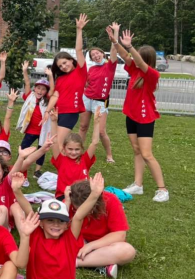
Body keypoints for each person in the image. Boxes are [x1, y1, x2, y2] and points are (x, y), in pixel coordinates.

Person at [7, 173, 105, 279]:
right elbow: (27, 208)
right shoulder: (36, 233)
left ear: (67, 225)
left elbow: (79, 216)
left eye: (60, 221)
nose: (56, 225)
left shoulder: (70, 239)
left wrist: (94, 194)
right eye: (50, 220)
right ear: (40, 223)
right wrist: (17, 191)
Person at [109, 25, 169, 202]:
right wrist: (115, 40)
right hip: (132, 116)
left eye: (139, 57)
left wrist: (129, 47)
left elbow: (137, 60)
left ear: (146, 59)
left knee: (146, 154)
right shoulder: (134, 70)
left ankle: (162, 189)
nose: (134, 59)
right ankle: (138, 184)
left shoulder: (152, 75)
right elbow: (125, 56)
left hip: (145, 118)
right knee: (136, 151)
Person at [66, 178, 136, 279]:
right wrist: (67, 204)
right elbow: (58, 230)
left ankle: (76, 262)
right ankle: (100, 264)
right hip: (78, 242)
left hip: (103, 245)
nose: (87, 213)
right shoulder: (70, 201)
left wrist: (91, 246)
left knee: (127, 251)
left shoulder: (110, 199)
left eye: (90, 209)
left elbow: (119, 235)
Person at [45, 14, 90, 147]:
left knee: (58, 143)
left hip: (70, 113)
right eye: (60, 66)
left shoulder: (80, 71)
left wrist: (79, 30)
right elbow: (56, 95)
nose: (63, 67)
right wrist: (47, 111)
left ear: (71, 60)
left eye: (65, 63)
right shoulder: (60, 78)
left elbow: (79, 50)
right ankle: (64, 165)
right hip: (58, 112)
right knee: (56, 143)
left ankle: (67, 166)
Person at [79, 26, 119, 164]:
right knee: (83, 126)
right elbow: (86, 83)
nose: (95, 56)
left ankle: (109, 154)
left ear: (102, 53)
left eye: (97, 53)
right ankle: (78, 151)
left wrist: (114, 36)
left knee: (101, 131)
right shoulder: (92, 69)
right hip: (87, 99)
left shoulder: (110, 66)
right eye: (93, 55)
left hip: (100, 102)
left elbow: (114, 50)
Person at [49, 107, 101, 200]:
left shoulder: (85, 159)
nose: (73, 152)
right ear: (64, 148)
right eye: (70, 149)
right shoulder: (60, 159)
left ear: (81, 149)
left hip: (83, 196)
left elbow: (95, 143)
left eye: (77, 149)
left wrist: (97, 123)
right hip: (63, 196)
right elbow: (55, 142)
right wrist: (53, 122)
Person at [17, 61, 54, 179]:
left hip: (43, 130)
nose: (40, 91)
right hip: (31, 130)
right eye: (38, 88)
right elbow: (27, 83)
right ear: (35, 88)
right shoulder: (30, 96)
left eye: (43, 89)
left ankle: (37, 170)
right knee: (23, 146)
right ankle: (20, 165)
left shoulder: (47, 99)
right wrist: (24, 71)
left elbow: (53, 90)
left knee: (41, 149)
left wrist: (51, 75)